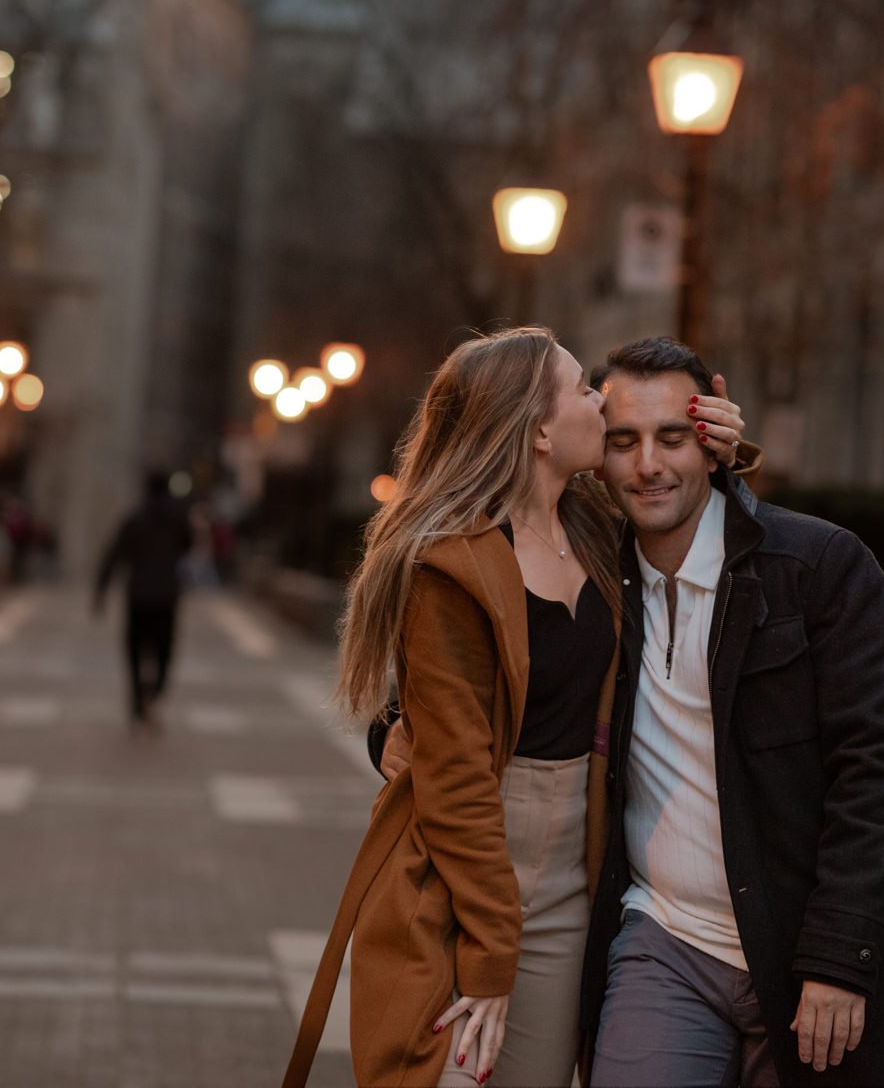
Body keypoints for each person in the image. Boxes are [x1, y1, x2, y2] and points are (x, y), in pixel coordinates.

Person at [281, 327, 753, 1088]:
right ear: (539, 430)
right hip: (457, 879)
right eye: (580, 389)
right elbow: (460, 776)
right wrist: (491, 953)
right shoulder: (453, 563)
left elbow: (698, 527)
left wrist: (727, 456)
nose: (598, 400)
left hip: (574, 871)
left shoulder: (597, 531)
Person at [578, 337, 884, 1087]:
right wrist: (397, 725)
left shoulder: (819, 567)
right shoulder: (594, 580)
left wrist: (837, 958)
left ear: (713, 432)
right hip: (663, 940)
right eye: (621, 442)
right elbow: (496, 628)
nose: (648, 465)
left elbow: (880, 773)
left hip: (804, 957)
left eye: (673, 437)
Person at [93, 471, 195, 721]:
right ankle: (156, 689)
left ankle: (138, 694)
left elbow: (114, 554)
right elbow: (189, 544)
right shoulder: (177, 519)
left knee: (134, 648)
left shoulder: (134, 519)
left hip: (138, 594)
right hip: (166, 595)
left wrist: (101, 591)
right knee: (164, 649)